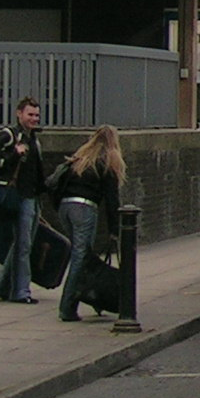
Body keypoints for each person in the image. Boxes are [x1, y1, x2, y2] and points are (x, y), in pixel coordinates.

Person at [53, 125, 124, 322]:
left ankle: (85, 299)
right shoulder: (110, 159)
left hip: (65, 207)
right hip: (84, 208)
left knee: (80, 255)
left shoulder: (81, 157)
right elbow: (112, 198)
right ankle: (67, 307)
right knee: (81, 258)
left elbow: (59, 182)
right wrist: (114, 230)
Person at [0, 97, 45, 303]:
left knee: (21, 244)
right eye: (30, 114)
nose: (34, 119)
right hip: (17, 197)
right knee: (23, 245)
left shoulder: (33, 138)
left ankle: (2, 287)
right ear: (18, 113)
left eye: (37, 115)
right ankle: (21, 292)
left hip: (32, 196)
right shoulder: (9, 135)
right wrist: (14, 153)